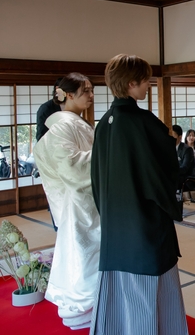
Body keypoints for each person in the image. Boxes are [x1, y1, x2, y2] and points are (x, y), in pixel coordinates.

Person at [91, 54, 187, 335]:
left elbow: (96, 178)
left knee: (118, 289)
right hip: (145, 223)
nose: (149, 85)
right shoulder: (142, 122)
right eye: (145, 80)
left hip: (115, 223)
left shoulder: (105, 122)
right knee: (149, 288)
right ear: (131, 83)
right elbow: (161, 171)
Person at [33, 73, 97, 330]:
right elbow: (72, 170)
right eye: (86, 91)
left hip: (89, 202)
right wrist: (109, 151)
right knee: (83, 258)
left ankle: (97, 306)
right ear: (68, 94)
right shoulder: (61, 127)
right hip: (79, 206)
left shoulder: (76, 124)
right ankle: (86, 309)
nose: (92, 96)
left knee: (88, 257)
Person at [172, 124, 195, 192]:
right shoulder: (169, 148)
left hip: (187, 177)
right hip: (176, 175)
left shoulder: (187, 150)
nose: (170, 138)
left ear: (180, 137)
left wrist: (172, 172)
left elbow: (185, 168)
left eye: (173, 136)